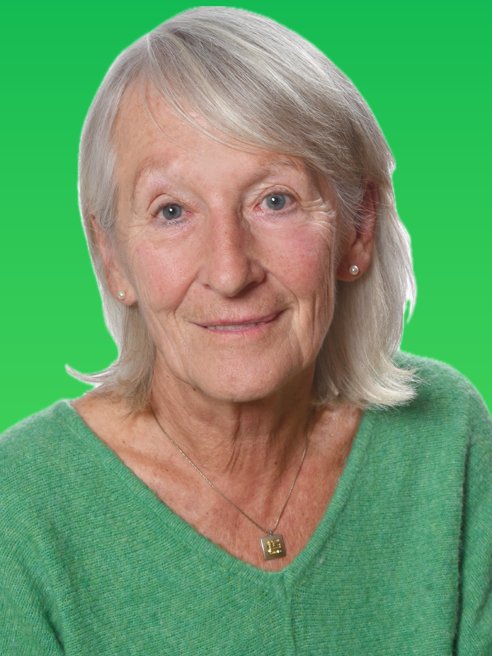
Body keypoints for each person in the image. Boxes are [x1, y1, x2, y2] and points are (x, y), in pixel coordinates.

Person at [0, 6, 490, 654]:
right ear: (111, 256)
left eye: (275, 200)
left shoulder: (446, 437)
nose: (230, 272)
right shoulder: (21, 507)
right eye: (172, 211)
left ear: (358, 228)